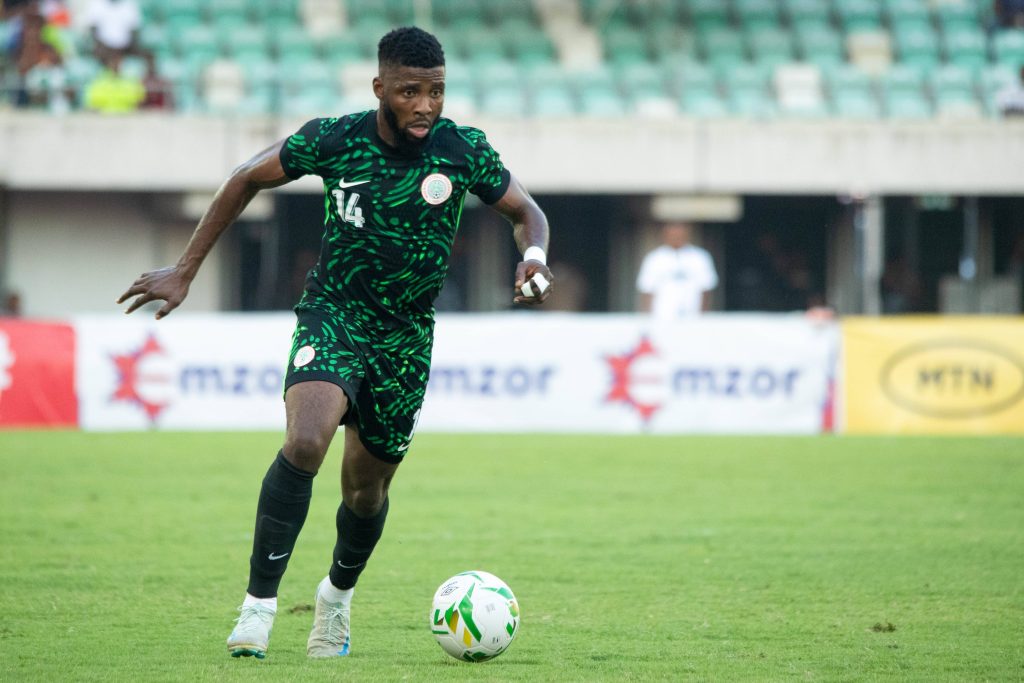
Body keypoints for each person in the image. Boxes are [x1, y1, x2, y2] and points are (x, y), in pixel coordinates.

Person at [117, 27, 554, 660]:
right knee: (305, 441)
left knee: (365, 491)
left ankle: (335, 601)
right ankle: (258, 610)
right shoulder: (335, 138)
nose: (425, 105)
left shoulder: (463, 150)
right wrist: (184, 269)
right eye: (410, 91)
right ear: (381, 88)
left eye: (435, 91)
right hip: (335, 313)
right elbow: (244, 178)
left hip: (406, 336)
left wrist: (534, 257)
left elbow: (526, 212)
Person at [636, 221, 717, 319]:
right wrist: (648, 318)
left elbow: (706, 290)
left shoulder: (700, 257)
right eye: (673, 234)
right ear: (665, 234)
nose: (676, 237)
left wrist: (702, 317)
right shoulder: (654, 258)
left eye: (680, 234)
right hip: (662, 318)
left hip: (692, 317)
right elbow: (647, 290)